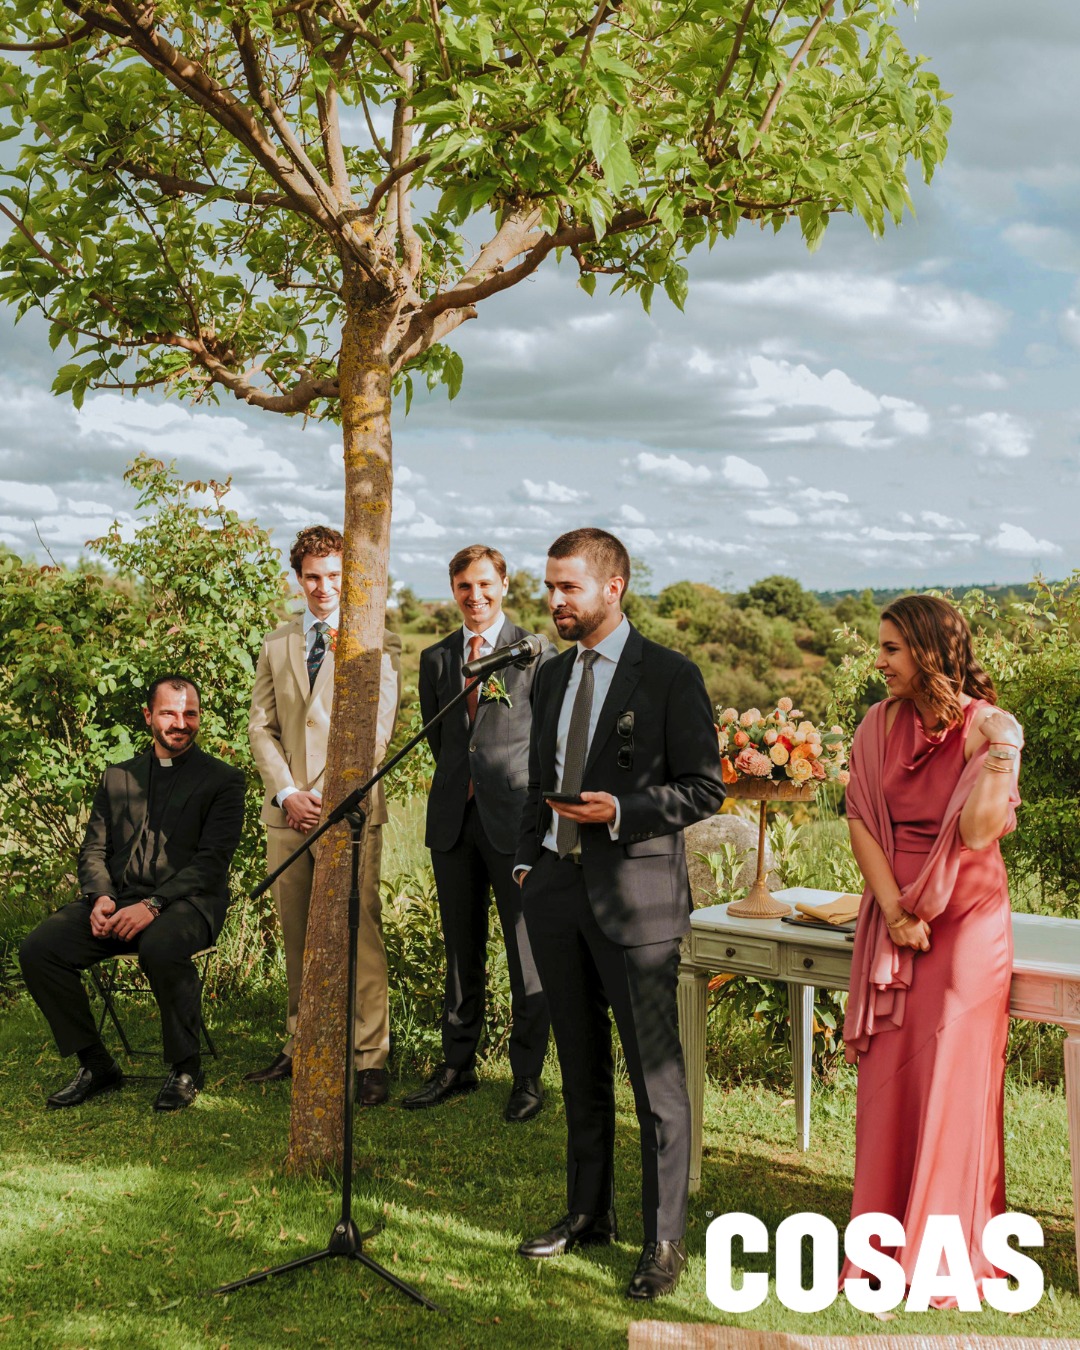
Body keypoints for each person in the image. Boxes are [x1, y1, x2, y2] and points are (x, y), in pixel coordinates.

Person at [513, 528, 725, 1300]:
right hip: (556, 895)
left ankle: (663, 1239)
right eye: (549, 587)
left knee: (656, 1081)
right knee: (580, 1065)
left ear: (614, 587)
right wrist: (528, 862)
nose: (553, 601)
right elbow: (538, 775)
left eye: (567, 587)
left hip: (637, 904)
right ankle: (586, 1213)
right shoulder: (550, 675)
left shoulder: (669, 676)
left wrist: (623, 811)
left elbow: (706, 787)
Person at [840, 594, 1023, 1305]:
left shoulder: (989, 728)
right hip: (894, 913)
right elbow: (859, 817)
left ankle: (944, 1253)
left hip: (967, 922)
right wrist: (892, 911)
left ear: (928, 652)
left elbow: (979, 834)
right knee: (889, 1079)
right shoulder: (876, 725)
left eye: (890, 649)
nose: (879, 661)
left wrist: (1002, 755)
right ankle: (881, 1244)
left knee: (951, 1075)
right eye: (879, 648)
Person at [19, 675, 246, 1112]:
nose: (180, 723)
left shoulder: (224, 780)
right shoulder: (118, 777)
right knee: (39, 949)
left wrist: (153, 905)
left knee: (161, 947)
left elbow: (210, 864)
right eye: (169, 713)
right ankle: (96, 1063)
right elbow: (95, 848)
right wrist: (100, 896)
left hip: (190, 904)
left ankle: (186, 1067)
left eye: (190, 713)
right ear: (148, 716)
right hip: (119, 901)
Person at [246, 525, 402, 1105]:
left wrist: (333, 796)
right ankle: (301, 1043)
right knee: (297, 935)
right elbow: (261, 727)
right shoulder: (277, 643)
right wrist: (288, 792)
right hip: (289, 813)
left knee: (360, 931)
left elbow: (376, 734)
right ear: (299, 578)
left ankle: (370, 1057)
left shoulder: (374, 642)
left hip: (350, 811)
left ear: (350, 578)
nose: (323, 587)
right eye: (313, 576)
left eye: (334, 575)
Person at [406, 544, 555, 1121]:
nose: (476, 596)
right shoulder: (437, 658)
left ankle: (527, 1077)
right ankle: (457, 1065)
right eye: (465, 586)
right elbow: (444, 739)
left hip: (515, 824)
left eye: (485, 585)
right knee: (460, 951)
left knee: (526, 955)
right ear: (453, 590)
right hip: (453, 824)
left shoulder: (533, 655)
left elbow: (545, 745)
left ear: (505, 586)